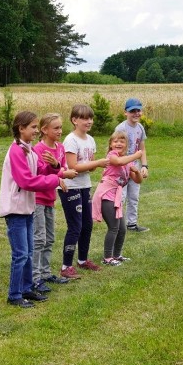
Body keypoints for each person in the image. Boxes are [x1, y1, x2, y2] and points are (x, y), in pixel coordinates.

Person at [0, 111, 66, 308]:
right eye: (33, 127)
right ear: (21, 128)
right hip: (15, 209)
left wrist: (54, 167)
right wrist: (56, 179)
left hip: (27, 208)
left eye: (37, 127)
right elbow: (26, 181)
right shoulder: (16, 150)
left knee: (28, 252)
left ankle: (27, 288)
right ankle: (14, 295)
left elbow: (39, 171)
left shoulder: (29, 150)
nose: (37, 131)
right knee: (20, 254)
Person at [59, 104, 109, 279]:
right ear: (74, 120)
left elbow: (90, 167)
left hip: (85, 185)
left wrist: (95, 164)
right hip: (70, 186)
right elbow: (73, 167)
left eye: (91, 118)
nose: (89, 121)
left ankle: (82, 260)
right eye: (85, 118)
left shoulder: (90, 140)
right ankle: (66, 266)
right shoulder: (70, 140)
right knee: (75, 226)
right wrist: (96, 163)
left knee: (87, 224)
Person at [32, 113, 77, 292]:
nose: (60, 131)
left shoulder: (59, 147)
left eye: (60, 127)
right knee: (39, 238)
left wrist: (58, 168)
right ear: (44, 130)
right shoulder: (38, 149)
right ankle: (35, 278)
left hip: (50, 198)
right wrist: (59, 173)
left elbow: (63, 168)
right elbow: (39, 174)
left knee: (49, 238)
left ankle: (45, 272)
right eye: (56, 128)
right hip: (37, 199)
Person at [92, 131, 143, 265]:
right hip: (106, 194)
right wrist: (136, 156)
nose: (118, 143)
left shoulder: (126, 161)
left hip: (116, 196)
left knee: (122, 228)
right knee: (114, 227)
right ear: (110, 144)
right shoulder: (111, 156)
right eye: (115, 141)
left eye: (122, 141)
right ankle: (107, 258)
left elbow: (138, 181)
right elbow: (118, 162)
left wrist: (137, 171)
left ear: (126, 145)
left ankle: (117, 255)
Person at [114, 98, 150, 232]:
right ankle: (117, 224)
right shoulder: (121, 128)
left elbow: (142, 149)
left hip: (135, 167)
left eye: (138, 110)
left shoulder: (140, 128)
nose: (136, 113)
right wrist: (124, 166)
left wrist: (144, 166)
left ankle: (132, 224)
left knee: (134, 196)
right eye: (132, 111)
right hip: (122, 168)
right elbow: (116, 150)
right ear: (126, 113)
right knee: (121, 197)